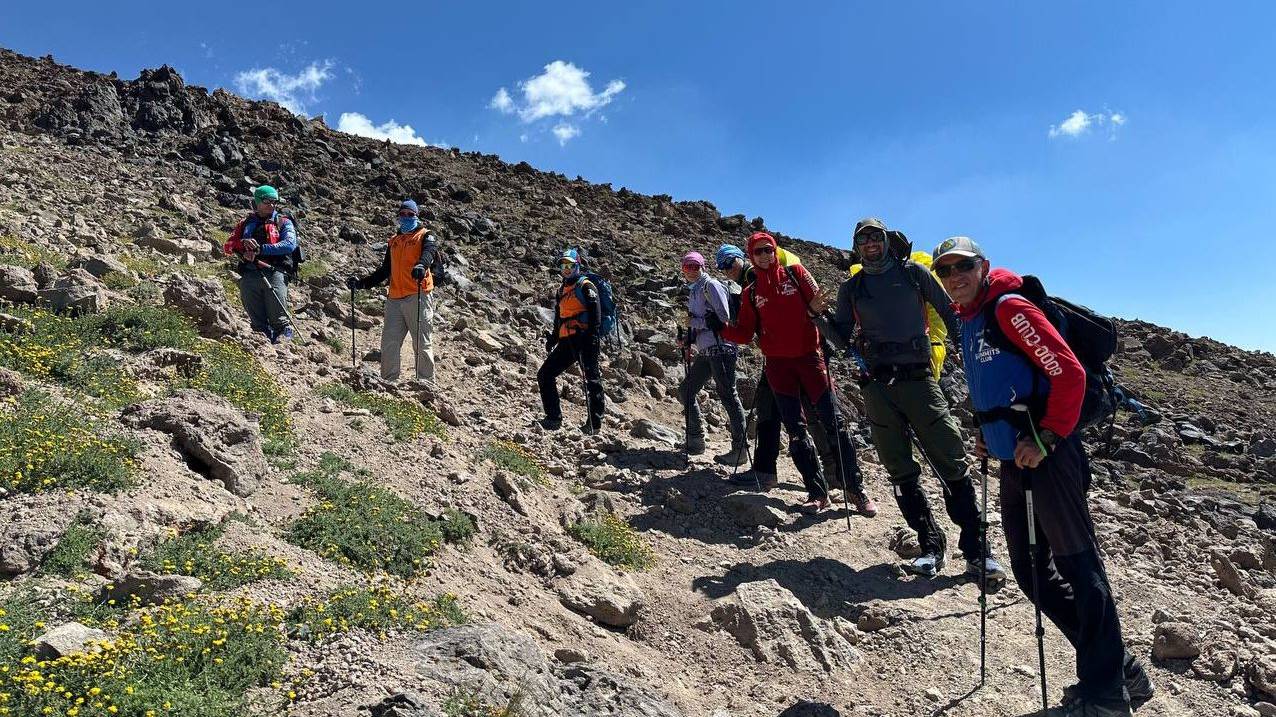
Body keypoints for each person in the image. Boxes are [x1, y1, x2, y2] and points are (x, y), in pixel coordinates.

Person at [933, 236, 1152, 717]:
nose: (954, 277)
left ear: (982, 265)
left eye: (963, 266)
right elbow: (1000, 387)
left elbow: (1069, 375)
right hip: (1015, 459)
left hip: (1049, 458)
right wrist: (990, 435)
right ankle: (1119, 670)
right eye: (944, 271)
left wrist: (1047, 437)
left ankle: (1106, 694)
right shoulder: (968, 318)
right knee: (1032, 573)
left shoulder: (1008, 308)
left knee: (1078, 566)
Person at [820, 218, 1004, 581]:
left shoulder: (915, 274)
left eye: (876, 237)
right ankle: (930, 546)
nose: (870, 243)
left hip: (919, 379)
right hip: (876, 386)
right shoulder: (851, 288)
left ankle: (977, 550)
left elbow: (951, 314)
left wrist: (974, 355)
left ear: (888, 240)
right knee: (899, 469)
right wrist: (818, 318)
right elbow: (841, 338)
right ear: (856, 246)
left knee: (950, 460)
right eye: (863, 239)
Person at [720, 232, 877, 515]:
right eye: (759, 252)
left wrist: (815, 310)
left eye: (769, 250)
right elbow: (744, 333)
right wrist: (720, 327)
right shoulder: (751, 292)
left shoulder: (796, 274)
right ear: (751, 257)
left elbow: (819, 307)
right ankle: (817, 493)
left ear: (775, 250)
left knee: (834, 423)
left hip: (810, 360)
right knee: (795, 431)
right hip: (779, 368)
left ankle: (855, 489)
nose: (765, 255)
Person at [713, 243, 841, 490]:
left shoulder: (753, 277)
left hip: (789, 356)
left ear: (742, 258)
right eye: (722, 266)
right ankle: (830, 471)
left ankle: (769, 471)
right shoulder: (753, 281)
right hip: (792, 354)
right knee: (799, 410)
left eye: (730, 262)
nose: (727, 269)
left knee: (775, 411)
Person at [345, 199, 439, 382]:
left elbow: (429, 253)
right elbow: (386, 270)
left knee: (421, 342)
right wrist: (362, 283)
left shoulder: (426, 236)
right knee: (389, 342)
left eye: (410, 214)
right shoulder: (394, 241)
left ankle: (426, 384)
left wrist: (421, 264)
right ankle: (388, 382)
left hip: (418, 295)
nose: (405, 218)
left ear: (416, 216)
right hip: (395, 297)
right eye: (402, 214)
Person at [677, 251, 748, 465]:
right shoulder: (694, 290)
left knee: (729, 396)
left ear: (703, 267)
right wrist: (688, 338)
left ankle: (740, 450)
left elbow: (723, 318)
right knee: (686, 390)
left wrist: (694, 323)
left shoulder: (711, 285)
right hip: (707, 349)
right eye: (687, 266)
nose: (691, 270)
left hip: (722, 348)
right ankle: (696, 440)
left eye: (695, 266)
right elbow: (700, 321)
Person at [538, 248, 605, 434]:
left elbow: (596, 315)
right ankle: (553, 417)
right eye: (563, 265)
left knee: (592, 380)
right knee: (545, 374)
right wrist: (553, 338)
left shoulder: (586, 286)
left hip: (585, 339)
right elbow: (559, 317)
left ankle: (594, 423)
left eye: (570, 265)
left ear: (577, 265)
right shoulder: (562, 290)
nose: (566, 269)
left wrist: (591, 337)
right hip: (567, 339)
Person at [221, 185, 297, 342]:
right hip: (250, 271)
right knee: (255, 316)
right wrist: (243, 244)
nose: (272, 205)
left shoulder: (283, 222)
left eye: (274, 201)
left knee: (278, 313)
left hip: (275, 270)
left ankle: (284, 336)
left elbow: (289, 244)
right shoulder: (245, 223)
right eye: (267, 201)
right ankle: (261, 339)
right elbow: (228, 245)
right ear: (257, 201)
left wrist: (260, 249)